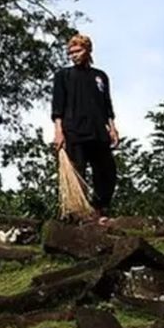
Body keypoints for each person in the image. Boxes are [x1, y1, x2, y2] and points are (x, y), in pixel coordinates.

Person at [52, 33, 120, 224]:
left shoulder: (100, 76)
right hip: (73, 131)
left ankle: (100, 210)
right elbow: (57, 106)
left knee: (107, 171)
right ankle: (78, 213)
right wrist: (59, 132)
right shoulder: (63, 75)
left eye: (78, 51)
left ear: (88, 51)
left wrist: (112, 128)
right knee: (76, 172)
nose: (73, 55)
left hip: (98, 131)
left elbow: (107, 105)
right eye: (70, 53)